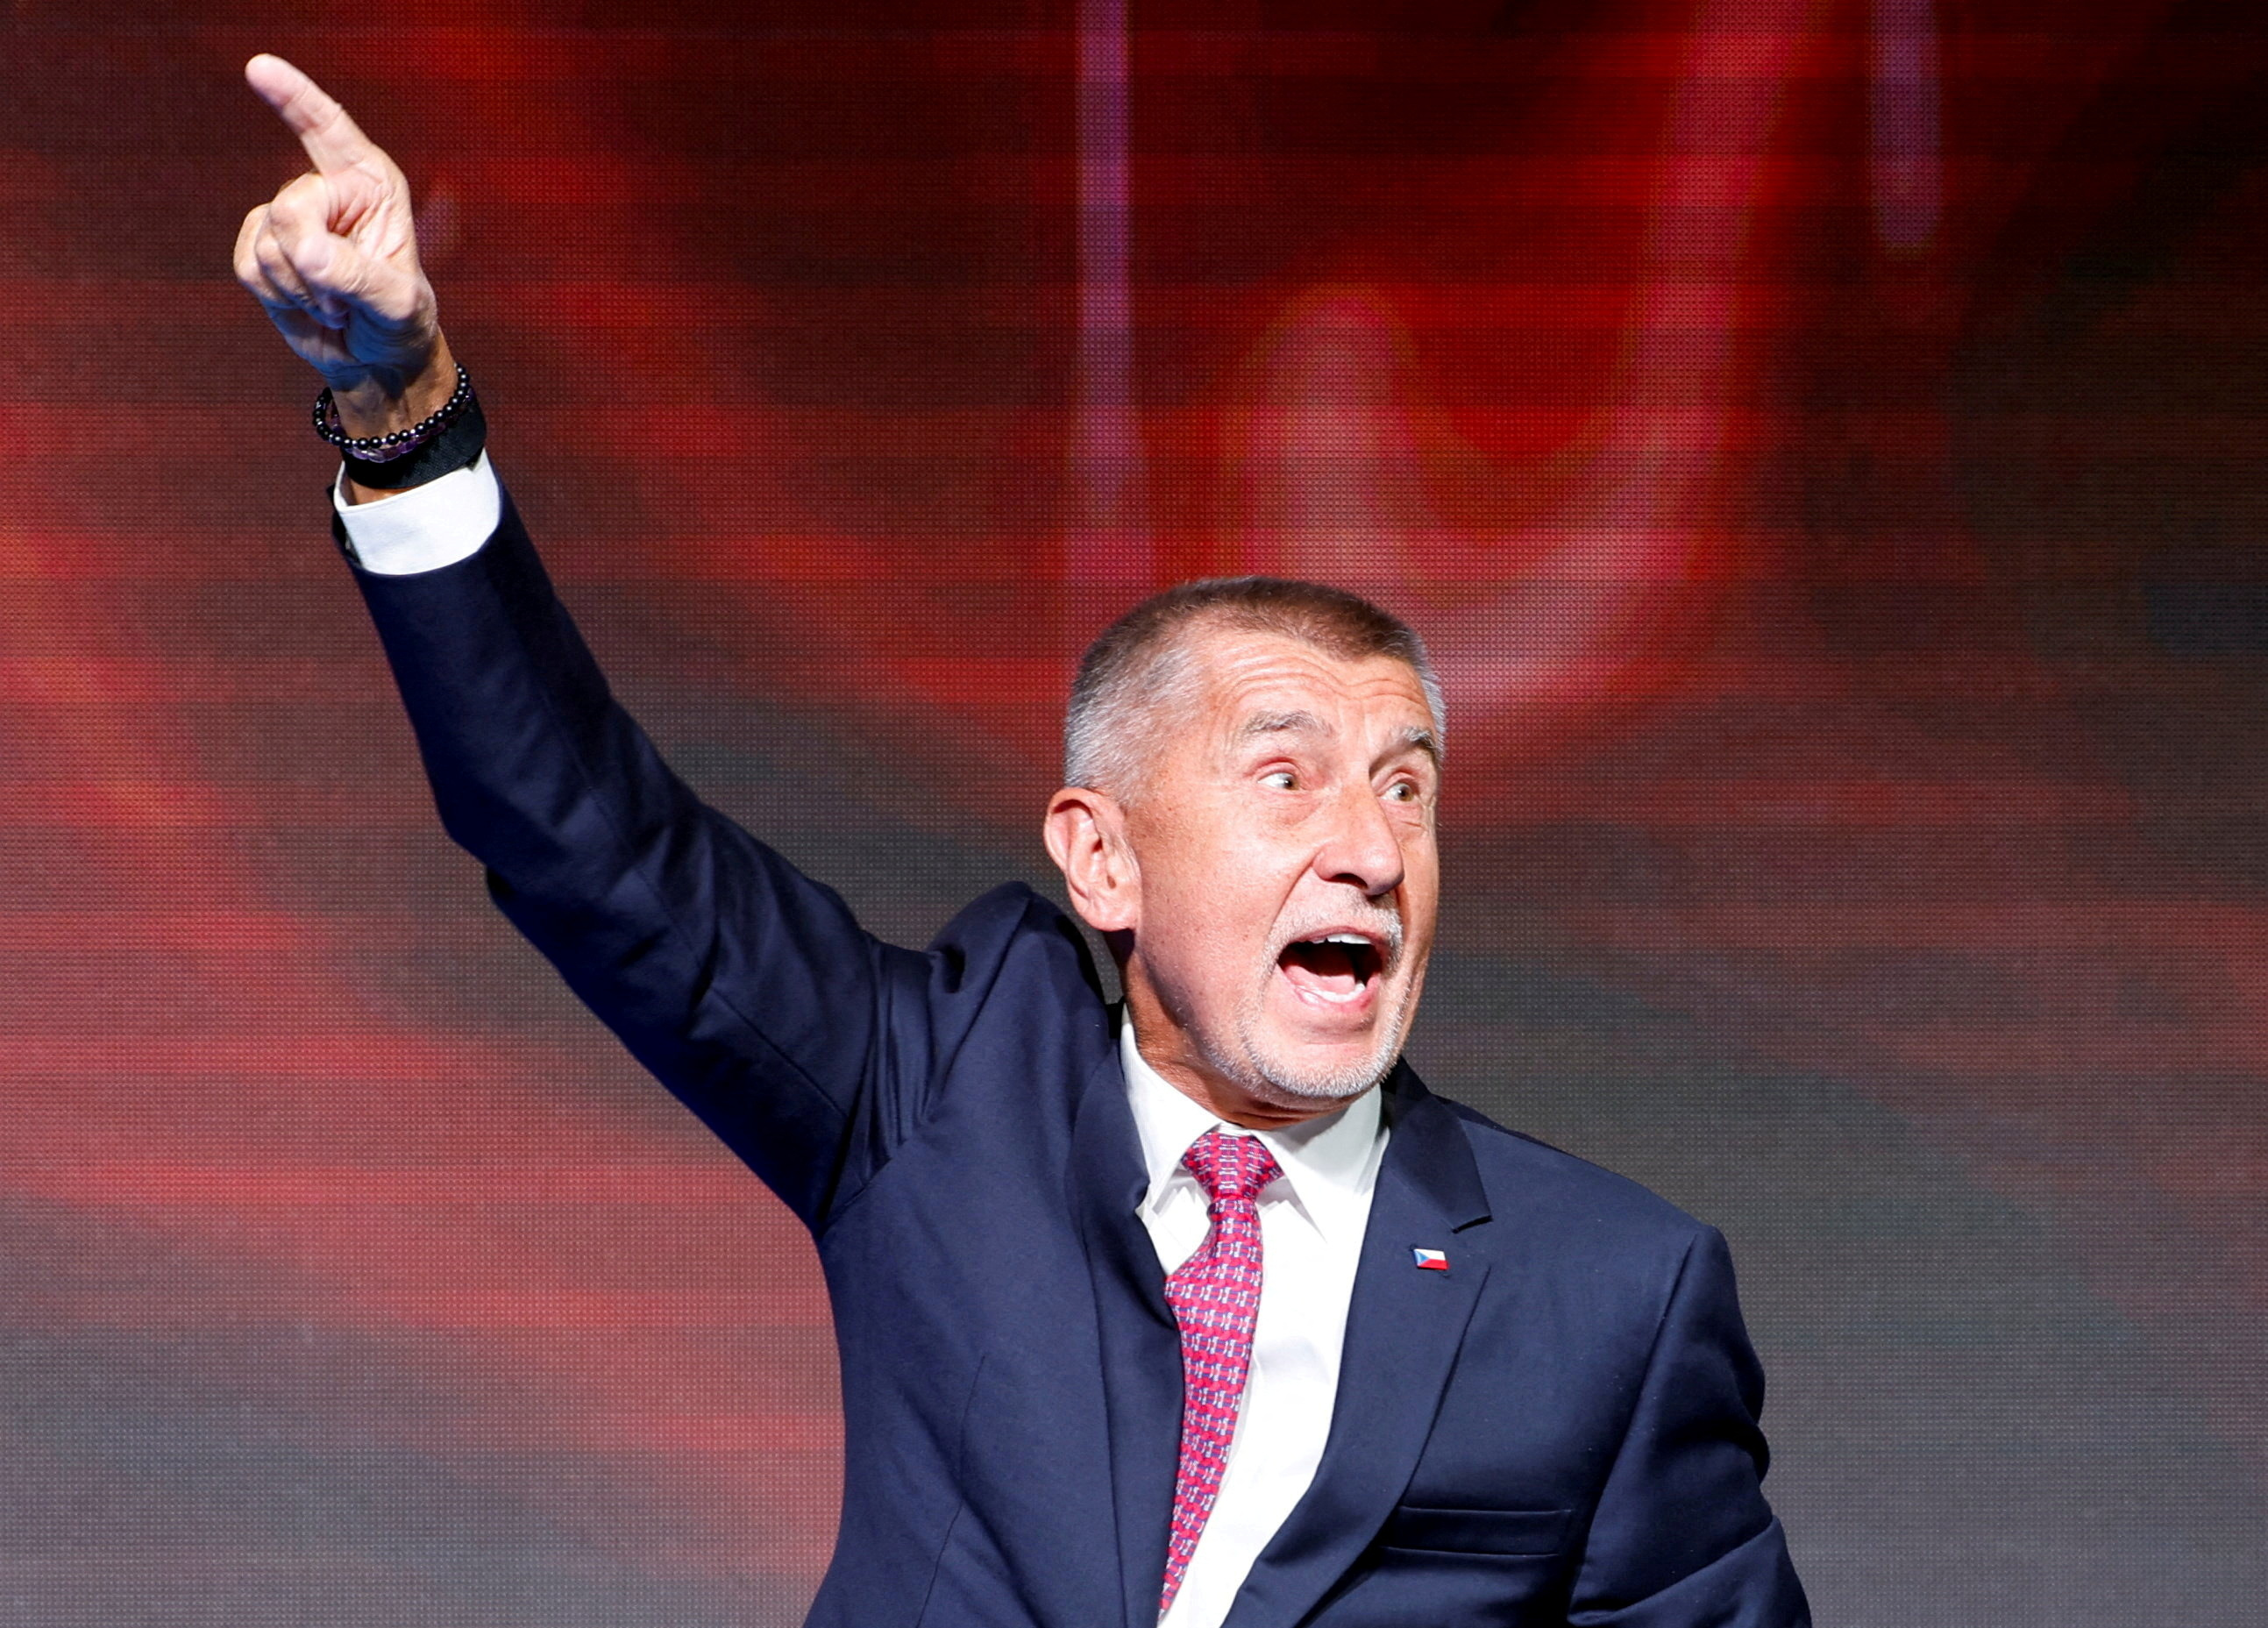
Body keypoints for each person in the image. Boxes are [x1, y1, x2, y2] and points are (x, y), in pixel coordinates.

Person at [233, 53, 1809, 1628]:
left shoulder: (1608, 1288)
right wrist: (404, 412)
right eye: (1287, 776)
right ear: (1101, 858)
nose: (1373, 850)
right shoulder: (944, 1093)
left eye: (1408, 788)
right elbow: (586, 841)